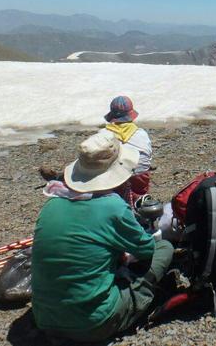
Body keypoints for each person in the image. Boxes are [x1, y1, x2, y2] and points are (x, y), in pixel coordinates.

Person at [32, 130, 173, 343]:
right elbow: (146, 250)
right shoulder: (112, 206)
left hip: (44, 318)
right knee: (165, 248)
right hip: (94, 324)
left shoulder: (51, 205)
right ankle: (136, 302)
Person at [104, 96, 153, 202]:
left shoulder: (105, 135)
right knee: (140, 199)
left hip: (115, 179)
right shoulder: (141, 134)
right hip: (140, 177)